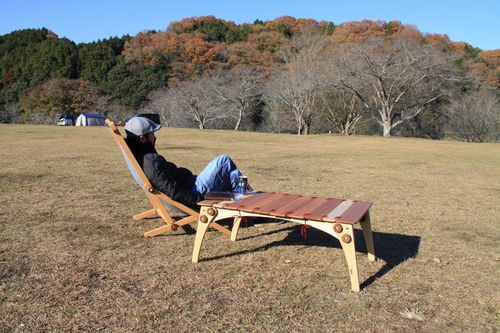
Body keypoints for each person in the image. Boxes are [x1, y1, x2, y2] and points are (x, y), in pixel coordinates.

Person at [124, 116, 251, 207]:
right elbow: (172, 190)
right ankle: (252, 204)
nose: (155, 136)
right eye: (152, 134)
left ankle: (248, 205)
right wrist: (197, 199)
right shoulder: (150, 161)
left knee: (234, 175)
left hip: (192, 185)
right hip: (195, 191)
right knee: (224, 160)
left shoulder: (144, 156)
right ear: (142, 138)